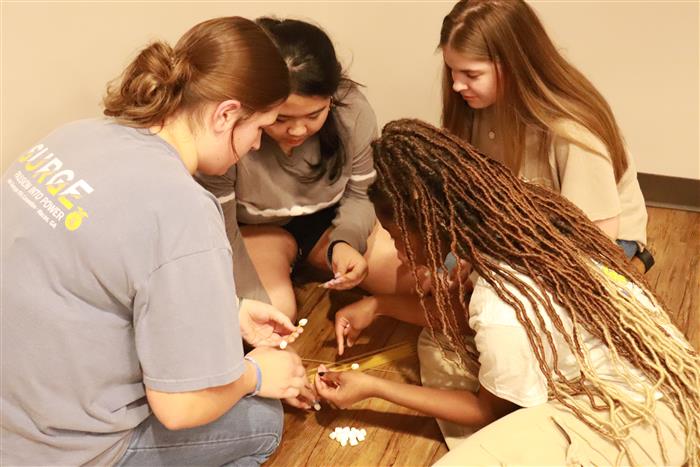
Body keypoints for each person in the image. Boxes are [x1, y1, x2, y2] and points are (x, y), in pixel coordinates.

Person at [1, 17, 310, 466]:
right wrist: (257, 374)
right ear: (226, 114)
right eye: (259, 127)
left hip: (14, 411)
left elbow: (103, 274)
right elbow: (179, 408)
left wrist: (227, 309)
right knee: (264, 422)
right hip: (59, 448)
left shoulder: (75, 136)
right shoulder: (183, 208)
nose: (257, 144)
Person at [317, 119, 699, 466]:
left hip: (640, 419)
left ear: (431, 226)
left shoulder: (499, 304)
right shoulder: (514, 219)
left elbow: (487, 411)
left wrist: (373, 388)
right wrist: (379, 305)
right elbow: (464, 320)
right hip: (657, 371)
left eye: (397, 237)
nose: (397, 251)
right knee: (437, 343)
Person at [197, 18, 413, 320]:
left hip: (328, 222)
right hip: (254, 231)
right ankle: (288, 262)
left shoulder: (353, 110)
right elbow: (220, 228)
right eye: (280, 119)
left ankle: (315, 260)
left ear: (332, 99)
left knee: (415, 282)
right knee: (272, 314)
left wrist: (346, 241)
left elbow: (362, 193)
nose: (298, 131)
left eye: (314, 115)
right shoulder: (230, 131)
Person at [439, 0, 653, 272]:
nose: (457, 85)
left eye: (471, 74)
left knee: (502, 288)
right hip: (524, 228)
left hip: (595, 238)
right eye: (452, 70)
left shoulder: (572, 131)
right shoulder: (475, 107)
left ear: (514, 66)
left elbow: (595, 239)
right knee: (445, 272)